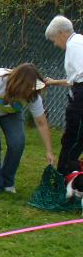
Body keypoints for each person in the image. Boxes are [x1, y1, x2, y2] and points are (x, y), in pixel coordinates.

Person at [0, 64, 54, 198]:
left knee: (17, 143)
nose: (29, 92)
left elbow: (41, 123)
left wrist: (49, 150)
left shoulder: (33, 95)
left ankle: (8, 182)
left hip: (12, 113)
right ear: (18, 84)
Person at [44, 15, 83, 175]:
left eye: (54, 39)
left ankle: (63, 178)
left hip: (81, 99)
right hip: (79, 92)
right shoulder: (78, 41)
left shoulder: (75, 45)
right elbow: (75, 79)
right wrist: (53, 82)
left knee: (73, 139)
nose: (55, 44)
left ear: (61, 33)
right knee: (74, 139)